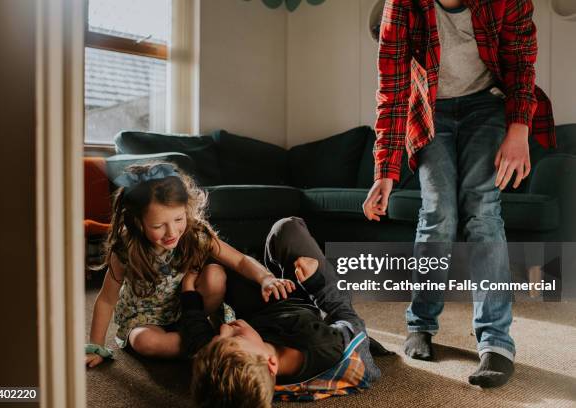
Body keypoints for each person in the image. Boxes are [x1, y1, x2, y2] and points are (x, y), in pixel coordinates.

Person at [362, 0, 555, 388]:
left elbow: (520, 59)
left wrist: (519, 128)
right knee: (438, 214)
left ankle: (496, 343)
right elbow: (393, 89)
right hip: (429, 109)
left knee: (483, 209)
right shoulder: (400, 6)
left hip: (488, 102)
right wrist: (385, 171)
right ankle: (420, 325)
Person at [85, 162, 293, 367]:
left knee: (215, 275)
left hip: (191, 310)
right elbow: (106, 300)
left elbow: (239, 260)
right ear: (138, 222)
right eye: (158, 225)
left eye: (178, 219)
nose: (172, 232)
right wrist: (96, 345)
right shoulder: (126, 248)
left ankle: (201, 337)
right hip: (146, 319)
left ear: (187, 210)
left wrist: (266, 278)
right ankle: (207, 345)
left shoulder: (195, 233)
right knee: (146, 342)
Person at [180, 217, 386, 408]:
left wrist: (188, 290)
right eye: (234, 337)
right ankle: (280, 267)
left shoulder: (228, 365)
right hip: (302, 296)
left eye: (218, 338)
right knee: (288, 228)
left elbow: (196, 335)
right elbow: (346, 315)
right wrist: (316, 282)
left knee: (213, 259)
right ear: (271, 364)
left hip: (257, 310)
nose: (224, 328)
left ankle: (263, 267)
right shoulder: (321, 345)